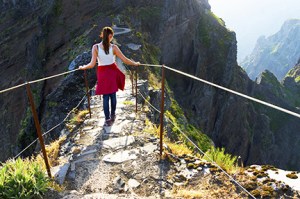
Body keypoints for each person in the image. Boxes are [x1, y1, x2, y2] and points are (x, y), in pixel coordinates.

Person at [79, 26, 140, 126]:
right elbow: (125, 60)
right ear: (110, 36)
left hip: (102, 73)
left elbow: (92, 64)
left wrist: (83, 67)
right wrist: (135, 63)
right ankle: (113, 115)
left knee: (105, 96)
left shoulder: (96, 47)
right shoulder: (114, 47)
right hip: (112, 71)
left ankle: (107, 119)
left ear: (102, 35)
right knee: (113, 95)